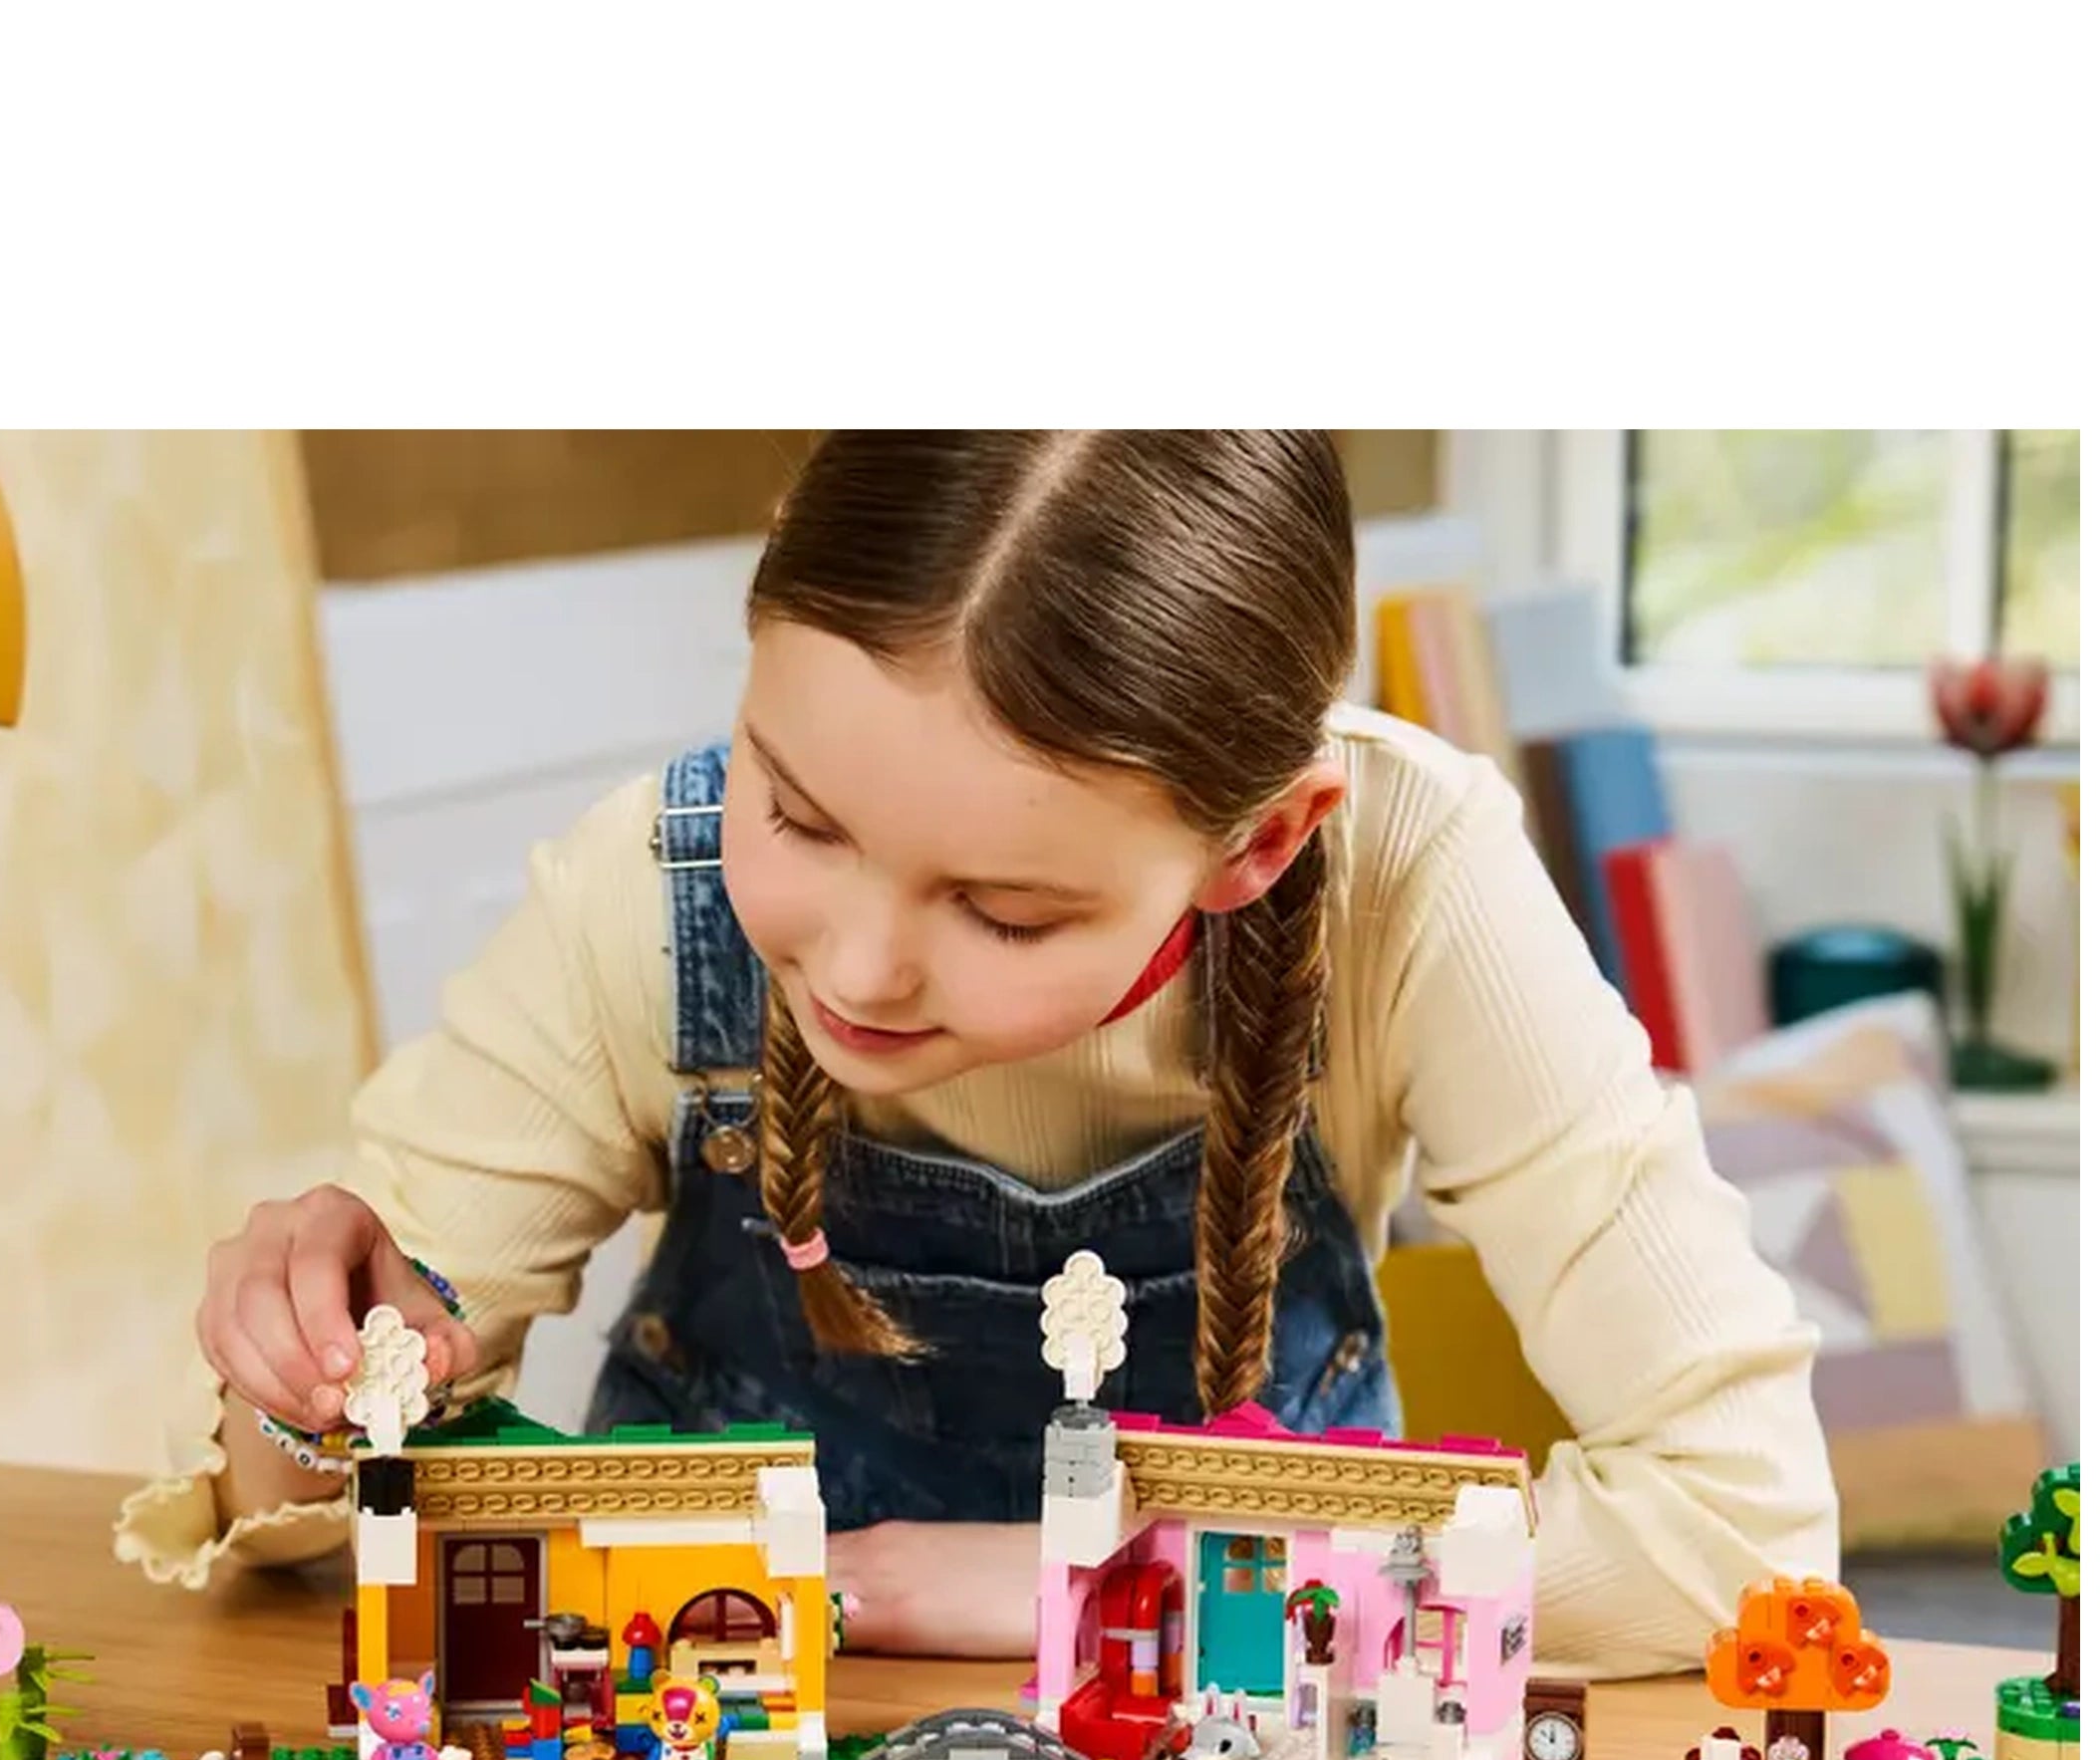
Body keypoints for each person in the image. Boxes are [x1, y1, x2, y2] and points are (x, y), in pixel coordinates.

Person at [117, 430, 1834, 1673]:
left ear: (1260, 842)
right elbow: (313, 1528)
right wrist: (299, 1378)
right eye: (798, 815)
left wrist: (1071, 1581)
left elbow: (1742, 1533)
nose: (856, 969)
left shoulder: (1409, 883)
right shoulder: (639, 895)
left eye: (1006, 915)